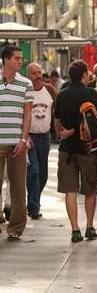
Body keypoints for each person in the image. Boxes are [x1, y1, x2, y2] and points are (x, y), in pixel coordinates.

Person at [54, 60, 97, 242]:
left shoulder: (61, 95)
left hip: (66, 149)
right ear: (84, 75)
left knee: (70, 190)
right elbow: (96, 121)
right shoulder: (91, 93)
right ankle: (90, 227)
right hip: (87, 149)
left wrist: (63, 135)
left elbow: (57, 122)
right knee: (89, 189)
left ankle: (75, 230)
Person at [0, 45, 33, 240]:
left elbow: (28, 113)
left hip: (17, 143)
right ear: (6, 60)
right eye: (17, 58)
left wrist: (23, 139)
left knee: (19, 187)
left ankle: (16, 229)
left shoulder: (25, 84)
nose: (21, 61)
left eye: (21, 58)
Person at [25, 63, 56, 219]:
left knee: (42, 174)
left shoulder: (49, 90)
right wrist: (24, 135)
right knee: (34, 170)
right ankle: (34, 206)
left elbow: (59, 109)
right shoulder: (24, 91)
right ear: (27, 75)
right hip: (30, 137)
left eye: (39, 72)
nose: (37, 75)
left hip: (45, 137)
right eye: (34, 73)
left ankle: (31, 201)